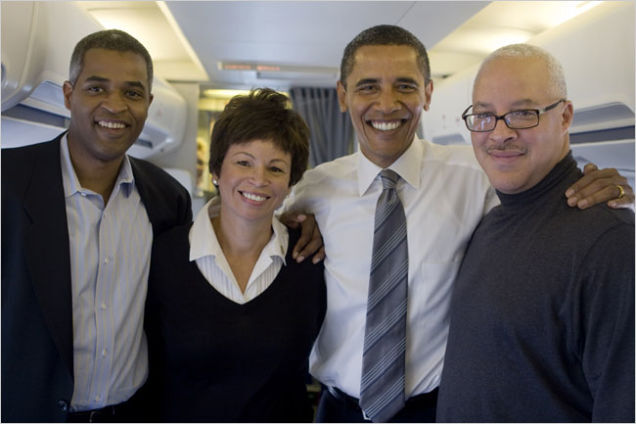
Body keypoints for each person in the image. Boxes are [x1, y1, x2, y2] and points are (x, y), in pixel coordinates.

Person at [282, 25, 633, 423]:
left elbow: (539, 175)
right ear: (343, 96)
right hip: (338, 409)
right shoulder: (313, 190)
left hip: (431, 410)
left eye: (405, 86)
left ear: (428, 94)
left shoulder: (477, 173)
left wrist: (609, 182)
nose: (387, 104)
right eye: (368, 87)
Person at [435, 44, 634, 423]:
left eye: (523, 114)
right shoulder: (489, 222)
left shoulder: (610, 244)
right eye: (484, 115)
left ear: (565, 117)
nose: (500, 133)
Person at [1, 29, 192, 422]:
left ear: (148, 104)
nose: (115, 105)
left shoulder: (168, 199)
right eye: (96, 88)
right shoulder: (8, 183)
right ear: (68, 95)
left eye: (132, 93)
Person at [144, 88, 326, 422]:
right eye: (244, 162)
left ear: (290, 183)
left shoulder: (309, 260)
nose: (258, 179)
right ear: (216, 170)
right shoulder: (163, 257)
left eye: (275, 168)